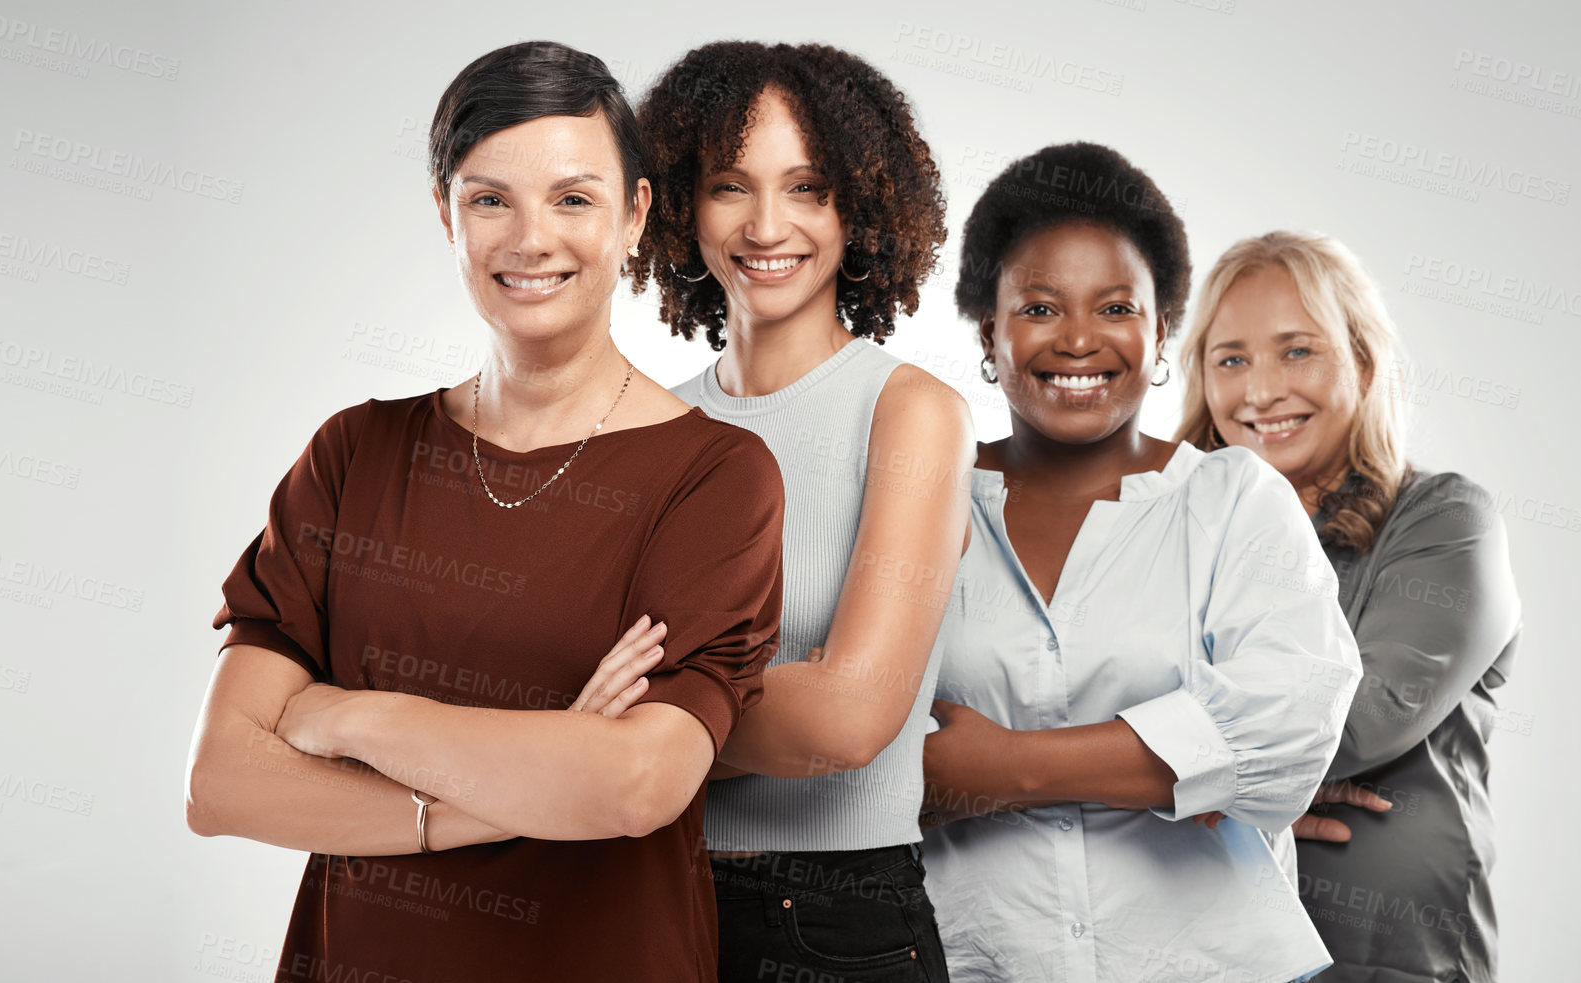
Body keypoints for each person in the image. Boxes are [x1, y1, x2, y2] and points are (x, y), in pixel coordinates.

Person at [182, 41, 786, 983]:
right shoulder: (354, 455)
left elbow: (633, 785)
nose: (529, 238)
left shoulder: (713, 475)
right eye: (489, 198)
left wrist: (347, 716)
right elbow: (221, 783)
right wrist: (528, 780)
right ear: (446, 216)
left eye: (574, 198)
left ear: (634, 217)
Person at [915, 142, 1363, 982]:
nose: (1078, 340)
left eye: (1115, 306)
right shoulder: (915, 502)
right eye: (1039, 307)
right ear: (988, 329)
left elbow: (1285, 727)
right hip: (981, 960)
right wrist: (1171, 762)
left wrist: (997, 768)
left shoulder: (1234, 501)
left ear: (1161, 329)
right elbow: (860, 750)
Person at [621, 40, 971, 982]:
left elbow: (849, 718)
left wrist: (628, 735)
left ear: (860, 205)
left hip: (835, 919)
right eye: (730, 185)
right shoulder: (643, 424)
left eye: (807, 187)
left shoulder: (910, 412)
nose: (766, 224)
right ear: (677, 204)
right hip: (636, 900)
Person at [1175, 230, 1523, 982]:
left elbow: (1361, 715)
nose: (1260, 390)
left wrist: (1201, 785)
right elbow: (1077, 691)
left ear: (1362, 363)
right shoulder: (1170, 532)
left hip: (1387, 954)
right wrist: (1251, 794)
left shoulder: (1441, 519)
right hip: (1198, 940)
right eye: (1229, 358)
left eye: (1295, 350)